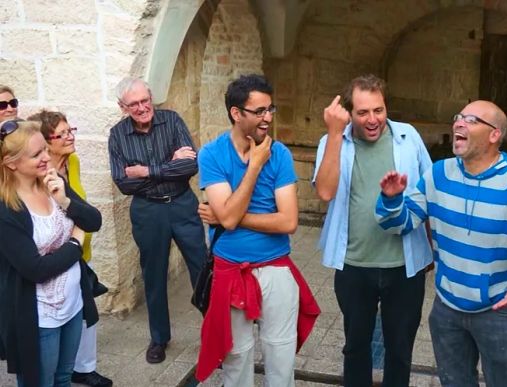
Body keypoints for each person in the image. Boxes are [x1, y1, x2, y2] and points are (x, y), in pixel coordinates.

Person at [375, 100, 507, 387]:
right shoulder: (438, 175)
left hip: (499, 310)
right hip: (447, 308)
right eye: (459, 117)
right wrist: (391, 200)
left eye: (472, 120)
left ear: (494, 135)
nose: (459, 124)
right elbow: (400, 224)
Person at [194, 74, 319, 386]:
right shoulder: (212, 154)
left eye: (270, 109)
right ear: (237, 113)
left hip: (275, 267)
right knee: (236, 358)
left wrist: (226, 216)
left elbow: (288, 221)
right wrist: (253, 168)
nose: (268, 118)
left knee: (281, 356)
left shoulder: (281, 154)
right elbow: (230, 217)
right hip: (229, 270)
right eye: (259, 111)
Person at [313, 74, 433, 386]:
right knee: (355, 347)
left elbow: (429, 192)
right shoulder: (332, 141)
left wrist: (432, 248)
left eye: (378, 110)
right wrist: (335, 134)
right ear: (348, 112)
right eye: (363, 112)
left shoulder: (408, 136)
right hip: (354, 265)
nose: (372, 120)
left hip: (404, 266)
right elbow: (325, 192)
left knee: (400, 350)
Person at [107, 77, 207, 364]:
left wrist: (146, 171)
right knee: (154, 275)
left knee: (202, 270)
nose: (142, 108)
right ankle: (159, 338)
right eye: (134, 104)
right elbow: (123, 182)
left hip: (182, 205)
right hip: (148, 212)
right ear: (123, 107)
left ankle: (215, 334)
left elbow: (190, 164)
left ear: (151, 98)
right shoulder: (117, 135)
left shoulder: (172, 121)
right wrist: (169, 165)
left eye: (145, 100)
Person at [0, 119, 102, 386]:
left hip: (72, 303)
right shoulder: (6, 208)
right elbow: (36, 269)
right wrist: (76, 244)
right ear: (11, 163)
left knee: (64, 377)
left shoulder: (52, 182)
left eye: (45, 149)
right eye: (36, 154)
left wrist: (65, 201)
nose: (47, 157)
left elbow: (94, 221)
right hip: (39, 316)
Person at [27, 110, 113, 387]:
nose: (70, 137)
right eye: (61, 134)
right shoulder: (24, 194)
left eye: (70, 130)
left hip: (76, 260)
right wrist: (76, 236)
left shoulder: (68, 167)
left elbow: (89, 215)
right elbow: (35, 262)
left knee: (84, 317)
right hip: (51, 280)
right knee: (43, 374)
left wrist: (68, 206)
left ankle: (83, 368)